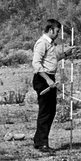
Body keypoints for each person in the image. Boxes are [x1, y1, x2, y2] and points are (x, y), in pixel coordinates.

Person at [31, 18, 64, 151]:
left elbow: (52, 59)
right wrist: (48, 80)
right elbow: (36, 64)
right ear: (51, 30)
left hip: (49, 78)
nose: (58, 34)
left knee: (50, 111)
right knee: (46, 112)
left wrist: (66, 54)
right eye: (57, 31)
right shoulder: (42, 43)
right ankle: (42, 143)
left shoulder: (50, 44)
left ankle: (39, 140)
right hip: (43, 79)